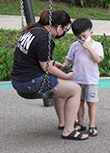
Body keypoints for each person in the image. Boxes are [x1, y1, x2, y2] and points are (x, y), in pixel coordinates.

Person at [11, 10, 88, 140]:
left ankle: (63, 122)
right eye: (65, 29)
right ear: (58, 27)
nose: (64, 33)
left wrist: (55, 64)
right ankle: (69, 130)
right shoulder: (45, 40)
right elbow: (47, 68)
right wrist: (67, 76)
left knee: (58, 85)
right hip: (30, 82)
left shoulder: (33, 30)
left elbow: (37, 58)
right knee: (75, 89)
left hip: (18, 79)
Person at [62, 18, 104, 137]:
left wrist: (89, 48)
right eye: (78, 36)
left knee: (91, 103)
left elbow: (98, 60)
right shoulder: (75, 45)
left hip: (90, 80)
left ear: (91, 32)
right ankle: (80, 123)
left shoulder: (97, 45)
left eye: (84, 35)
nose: (81, 39)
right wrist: (62, 68)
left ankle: (92, 124)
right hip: (77, 79)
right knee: (79, 102)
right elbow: (69, 60)